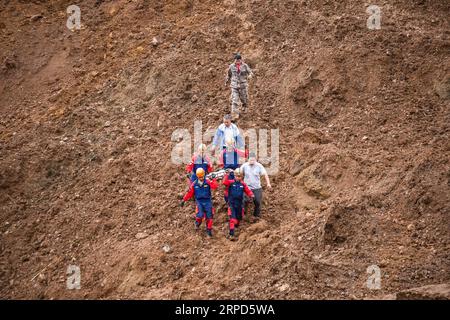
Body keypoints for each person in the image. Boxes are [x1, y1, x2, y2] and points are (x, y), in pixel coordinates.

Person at [181, 168, 218, 237]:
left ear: (204, 175)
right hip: (199, 201)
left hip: (207, 201)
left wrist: (213, 179)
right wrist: (184, 200)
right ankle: (197, 223)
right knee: (200, 215)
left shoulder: (207, 182)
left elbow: (215, 186)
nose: (201, 178)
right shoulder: (195, 184)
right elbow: (189, 193)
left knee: (209, 216)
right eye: (199, 177)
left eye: (202, 176)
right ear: (197, 176)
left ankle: (209, 231)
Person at [223, 168, 254, 240]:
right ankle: (231, 234)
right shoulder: (231, 182)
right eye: (237, 176)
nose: (238, 178)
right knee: (232, 218)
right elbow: (225, 182)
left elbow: (247, 190)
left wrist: (251, 194)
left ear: (242, 177)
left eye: (239, 176)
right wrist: (226, 175)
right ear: (234, 176)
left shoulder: (242, 184)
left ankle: (236, 225)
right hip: (232, 203)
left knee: (239, 218)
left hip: (239, 204)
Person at [241, 153, 272, 218]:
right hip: (247, 187)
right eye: (250, 160)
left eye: (253, 160)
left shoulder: (259, 166)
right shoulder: (244, 166)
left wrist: (268, 183)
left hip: (257, 188)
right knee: (244, 201)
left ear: (256, 159)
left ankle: (256, 216)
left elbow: (265, 174)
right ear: (248, 159)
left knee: (257, 202)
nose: (252, 161)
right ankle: (243, 214)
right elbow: (239, 174)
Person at [225, 53, 254, 120]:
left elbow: (250, 72)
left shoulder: (245, 66)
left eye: (239, 60)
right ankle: (234, 115)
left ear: (241, 60)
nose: (237, 61)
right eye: (236, 60)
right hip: (234, 86)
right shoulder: (231, 66)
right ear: (234, 60)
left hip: (243, 85)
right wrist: (226, 82)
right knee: (235, 100)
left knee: (244, 98)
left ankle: (245, 106)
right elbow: (229, 75)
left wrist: (250, 76)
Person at [219, 137, 247, 205]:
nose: (230, 146)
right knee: (228, 187)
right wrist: (224, 171)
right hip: (227, 172)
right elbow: (221, 163)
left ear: (234, 144)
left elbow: (245, 155)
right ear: (226, 144)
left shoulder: (236, 151)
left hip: (236, 172)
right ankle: (228, 202)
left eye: (232, 144)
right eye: (229, 144)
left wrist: (246, 148)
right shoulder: (223, 153)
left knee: (238, 186)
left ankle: (241, 201)